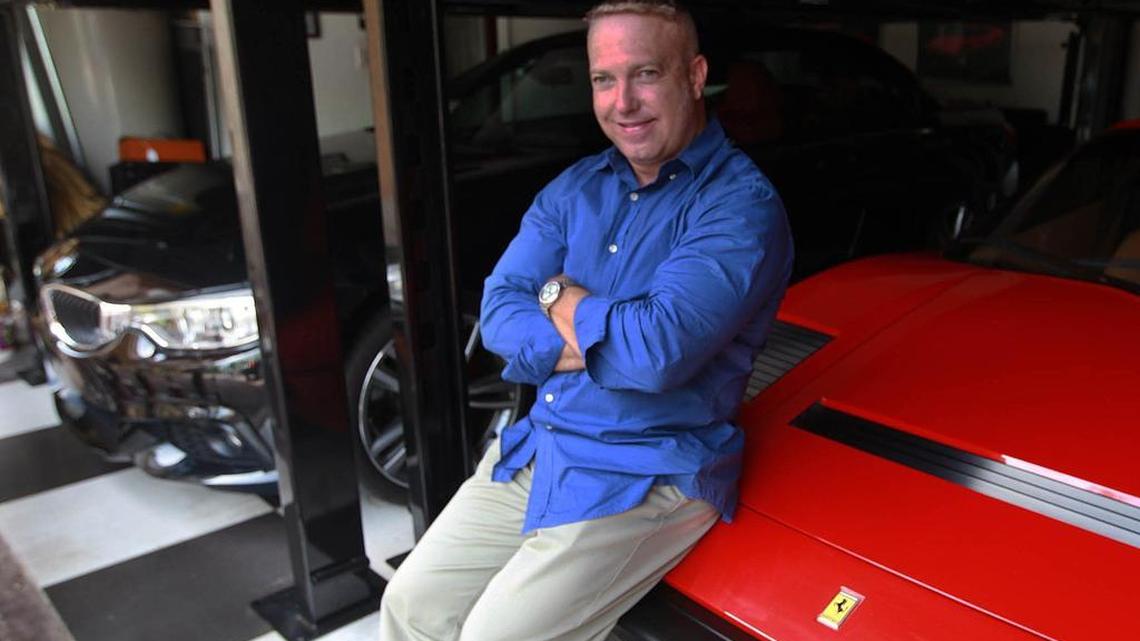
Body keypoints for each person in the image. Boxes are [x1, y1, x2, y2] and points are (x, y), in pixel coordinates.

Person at [379, 2, 793, 639]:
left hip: (646, 470)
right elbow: (497, 320)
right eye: (604, 79)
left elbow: (654, 356)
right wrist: (595, 319)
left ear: (694, 74)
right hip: (543, 446)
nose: (623, 102)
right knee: (410, 605)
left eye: (645, 74)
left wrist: (555, 298)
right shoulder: (576, 188)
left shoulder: (740, 206)